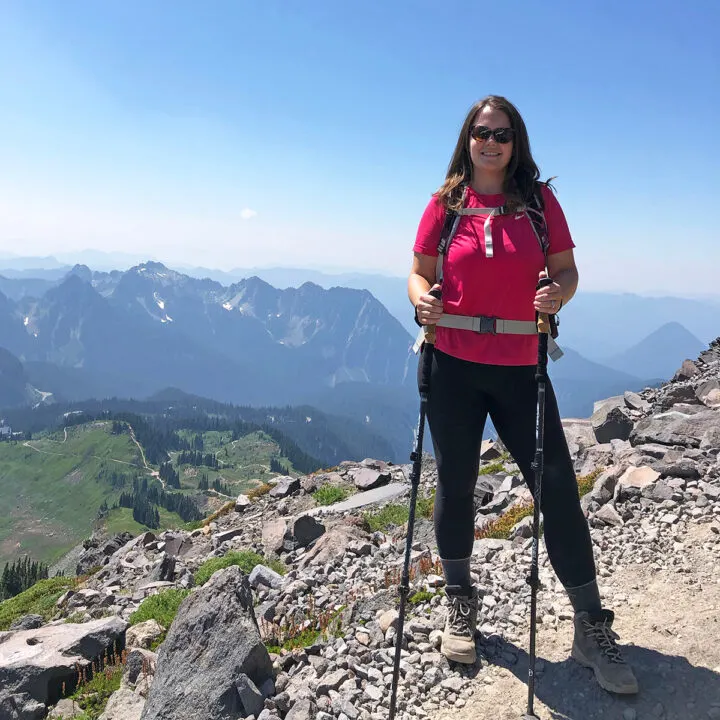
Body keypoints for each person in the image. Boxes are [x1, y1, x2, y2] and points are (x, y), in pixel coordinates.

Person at [407, 95, 638, 695]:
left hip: (519, 367)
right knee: (456, 483)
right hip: (452, 363)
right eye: (483, 133)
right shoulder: (445, 203)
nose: (492, 142)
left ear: (517, 142)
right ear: (468, 138)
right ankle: (459, 602)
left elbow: (567, 272)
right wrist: (419, 299)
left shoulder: (538, 202)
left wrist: (557, 297)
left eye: (502, 134)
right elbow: (417, 271)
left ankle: (591, 625)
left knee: (557, 488)